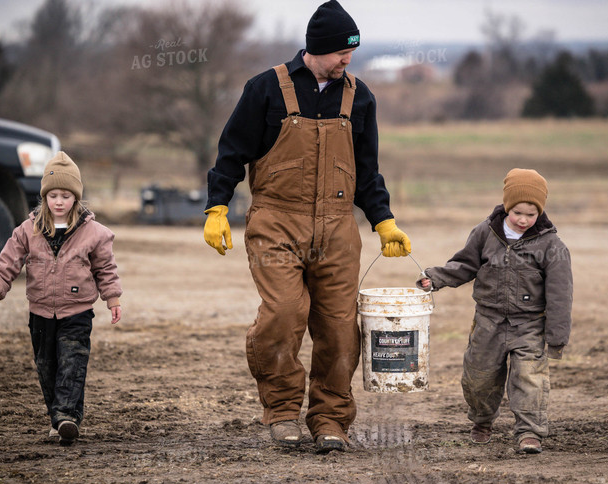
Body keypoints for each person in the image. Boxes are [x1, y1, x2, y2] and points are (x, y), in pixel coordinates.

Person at [203, 0, 411, 453]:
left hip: (338, 229)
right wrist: (216, 207)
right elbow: (230, 154)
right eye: (341, 52)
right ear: (318, 49)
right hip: (276, 221)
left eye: (351, 53)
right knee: (283, 314)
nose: (347, 60)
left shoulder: (360, 97)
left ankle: (330, 419)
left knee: (339, 328)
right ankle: (281, 411)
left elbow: (367, 172)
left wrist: (385, 221)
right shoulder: (265, 89)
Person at [417, 168, 572, 454]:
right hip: (488, 321)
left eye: (531, 214)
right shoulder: (485, 232)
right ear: (506, 206)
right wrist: (436, 278)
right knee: (479, 379)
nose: (524, 220)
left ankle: (529, 433)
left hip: (529, 325)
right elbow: (464, 265)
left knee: (529, 379)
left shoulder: (552, 245)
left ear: (540, 213)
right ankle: (482, 420)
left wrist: (557, 335)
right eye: (517, 212)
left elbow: (561, 293)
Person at [0, 151, 122, 446]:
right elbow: (7, 262)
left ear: (76, 198)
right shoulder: (27, 231)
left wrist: (113, 299)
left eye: (66, 196)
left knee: (73, 363)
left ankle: (68, 417)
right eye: (53, 195)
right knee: (47, 367)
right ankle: (57, 419)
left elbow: (106, 269)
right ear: (44, 197)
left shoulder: (94, 234)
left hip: (78, 312)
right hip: (40, 313)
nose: (59, 201)